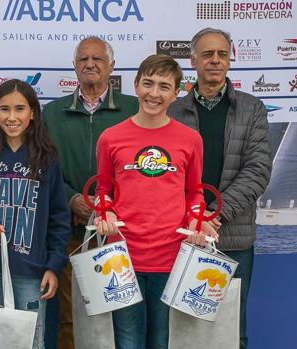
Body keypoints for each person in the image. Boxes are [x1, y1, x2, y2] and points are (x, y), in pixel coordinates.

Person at [93, 55, 218, 349]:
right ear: (136, 85)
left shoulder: (190, 139)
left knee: (161, 341)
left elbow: (195, 193)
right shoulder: (110, 138)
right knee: (127, 341)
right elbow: (102, 189)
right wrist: (105, 213)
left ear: (176, 93)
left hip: (170, 257)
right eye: (148, 83)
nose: (154, 93)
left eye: (164, 87)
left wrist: (198, 220)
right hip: (122, 257)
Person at [169, 28, 272, 349]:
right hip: (182, 236)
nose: (215, 60)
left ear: (229, 59)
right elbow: (163, 176)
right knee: (181, 331)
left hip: (233, 238)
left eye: (222, 54)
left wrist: (213, 215)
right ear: (193, 60)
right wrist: (193, 219)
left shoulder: (252, 108)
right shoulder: (172, 111)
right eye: (208, 54)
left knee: (231, 331)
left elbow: (258, 170)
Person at [0, 79, 71, 349]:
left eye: (20, 109)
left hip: (32, 271)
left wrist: (53, 266)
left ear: (32, 113)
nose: (12, 117)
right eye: (4, 109)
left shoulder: (47, 160)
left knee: (31, 341)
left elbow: (59, 219)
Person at [42, 36, 138, 348]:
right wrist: (72, 199)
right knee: (72, 315)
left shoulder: (134, 109)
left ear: (111, 66)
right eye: (83, 59)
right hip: (72, 230)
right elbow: (45, 168)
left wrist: (113, 205)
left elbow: (146, 170)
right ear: (74, 66)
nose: (90, 64)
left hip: (124, 232)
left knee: (125, 314)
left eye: (98, 59)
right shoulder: (53, 114)